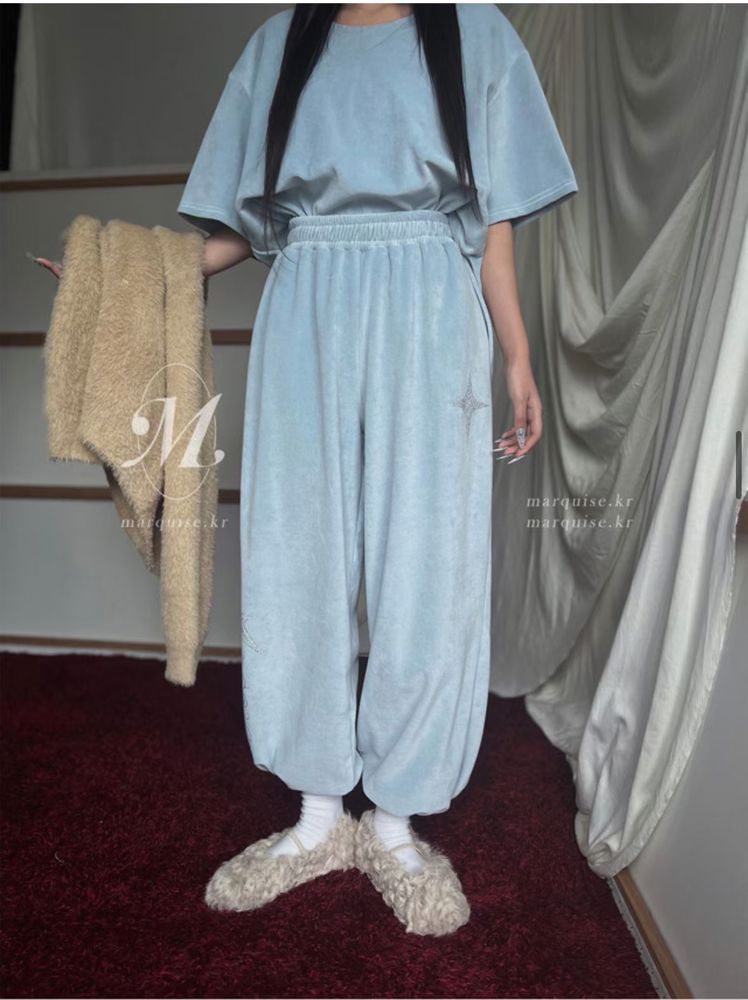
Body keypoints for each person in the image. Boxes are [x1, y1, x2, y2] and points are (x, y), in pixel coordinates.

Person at [38, 3, 577, 936]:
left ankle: (395, 823)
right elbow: (254, 227)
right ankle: (320, 818)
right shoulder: (280, 43)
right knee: (297, 551)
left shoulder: (476, 34)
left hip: (432, 309)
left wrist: (519, 356)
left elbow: (492, 222)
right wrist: (127, 277)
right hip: (307, 306)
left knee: (429, 562)